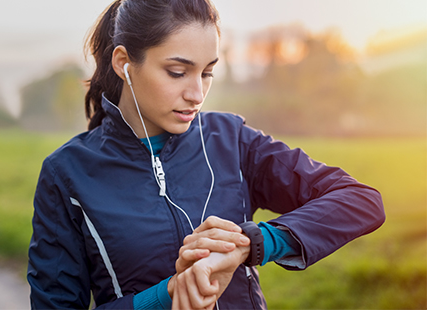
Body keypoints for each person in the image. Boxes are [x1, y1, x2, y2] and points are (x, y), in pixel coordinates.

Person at [26, 0, 385, 309]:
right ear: (124, 63)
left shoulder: (232, 140)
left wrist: (252, 243)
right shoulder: (67, 174)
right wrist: (167, 295)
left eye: (208, 72)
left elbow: (360, 201)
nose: (197, 93)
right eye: (177, 72)